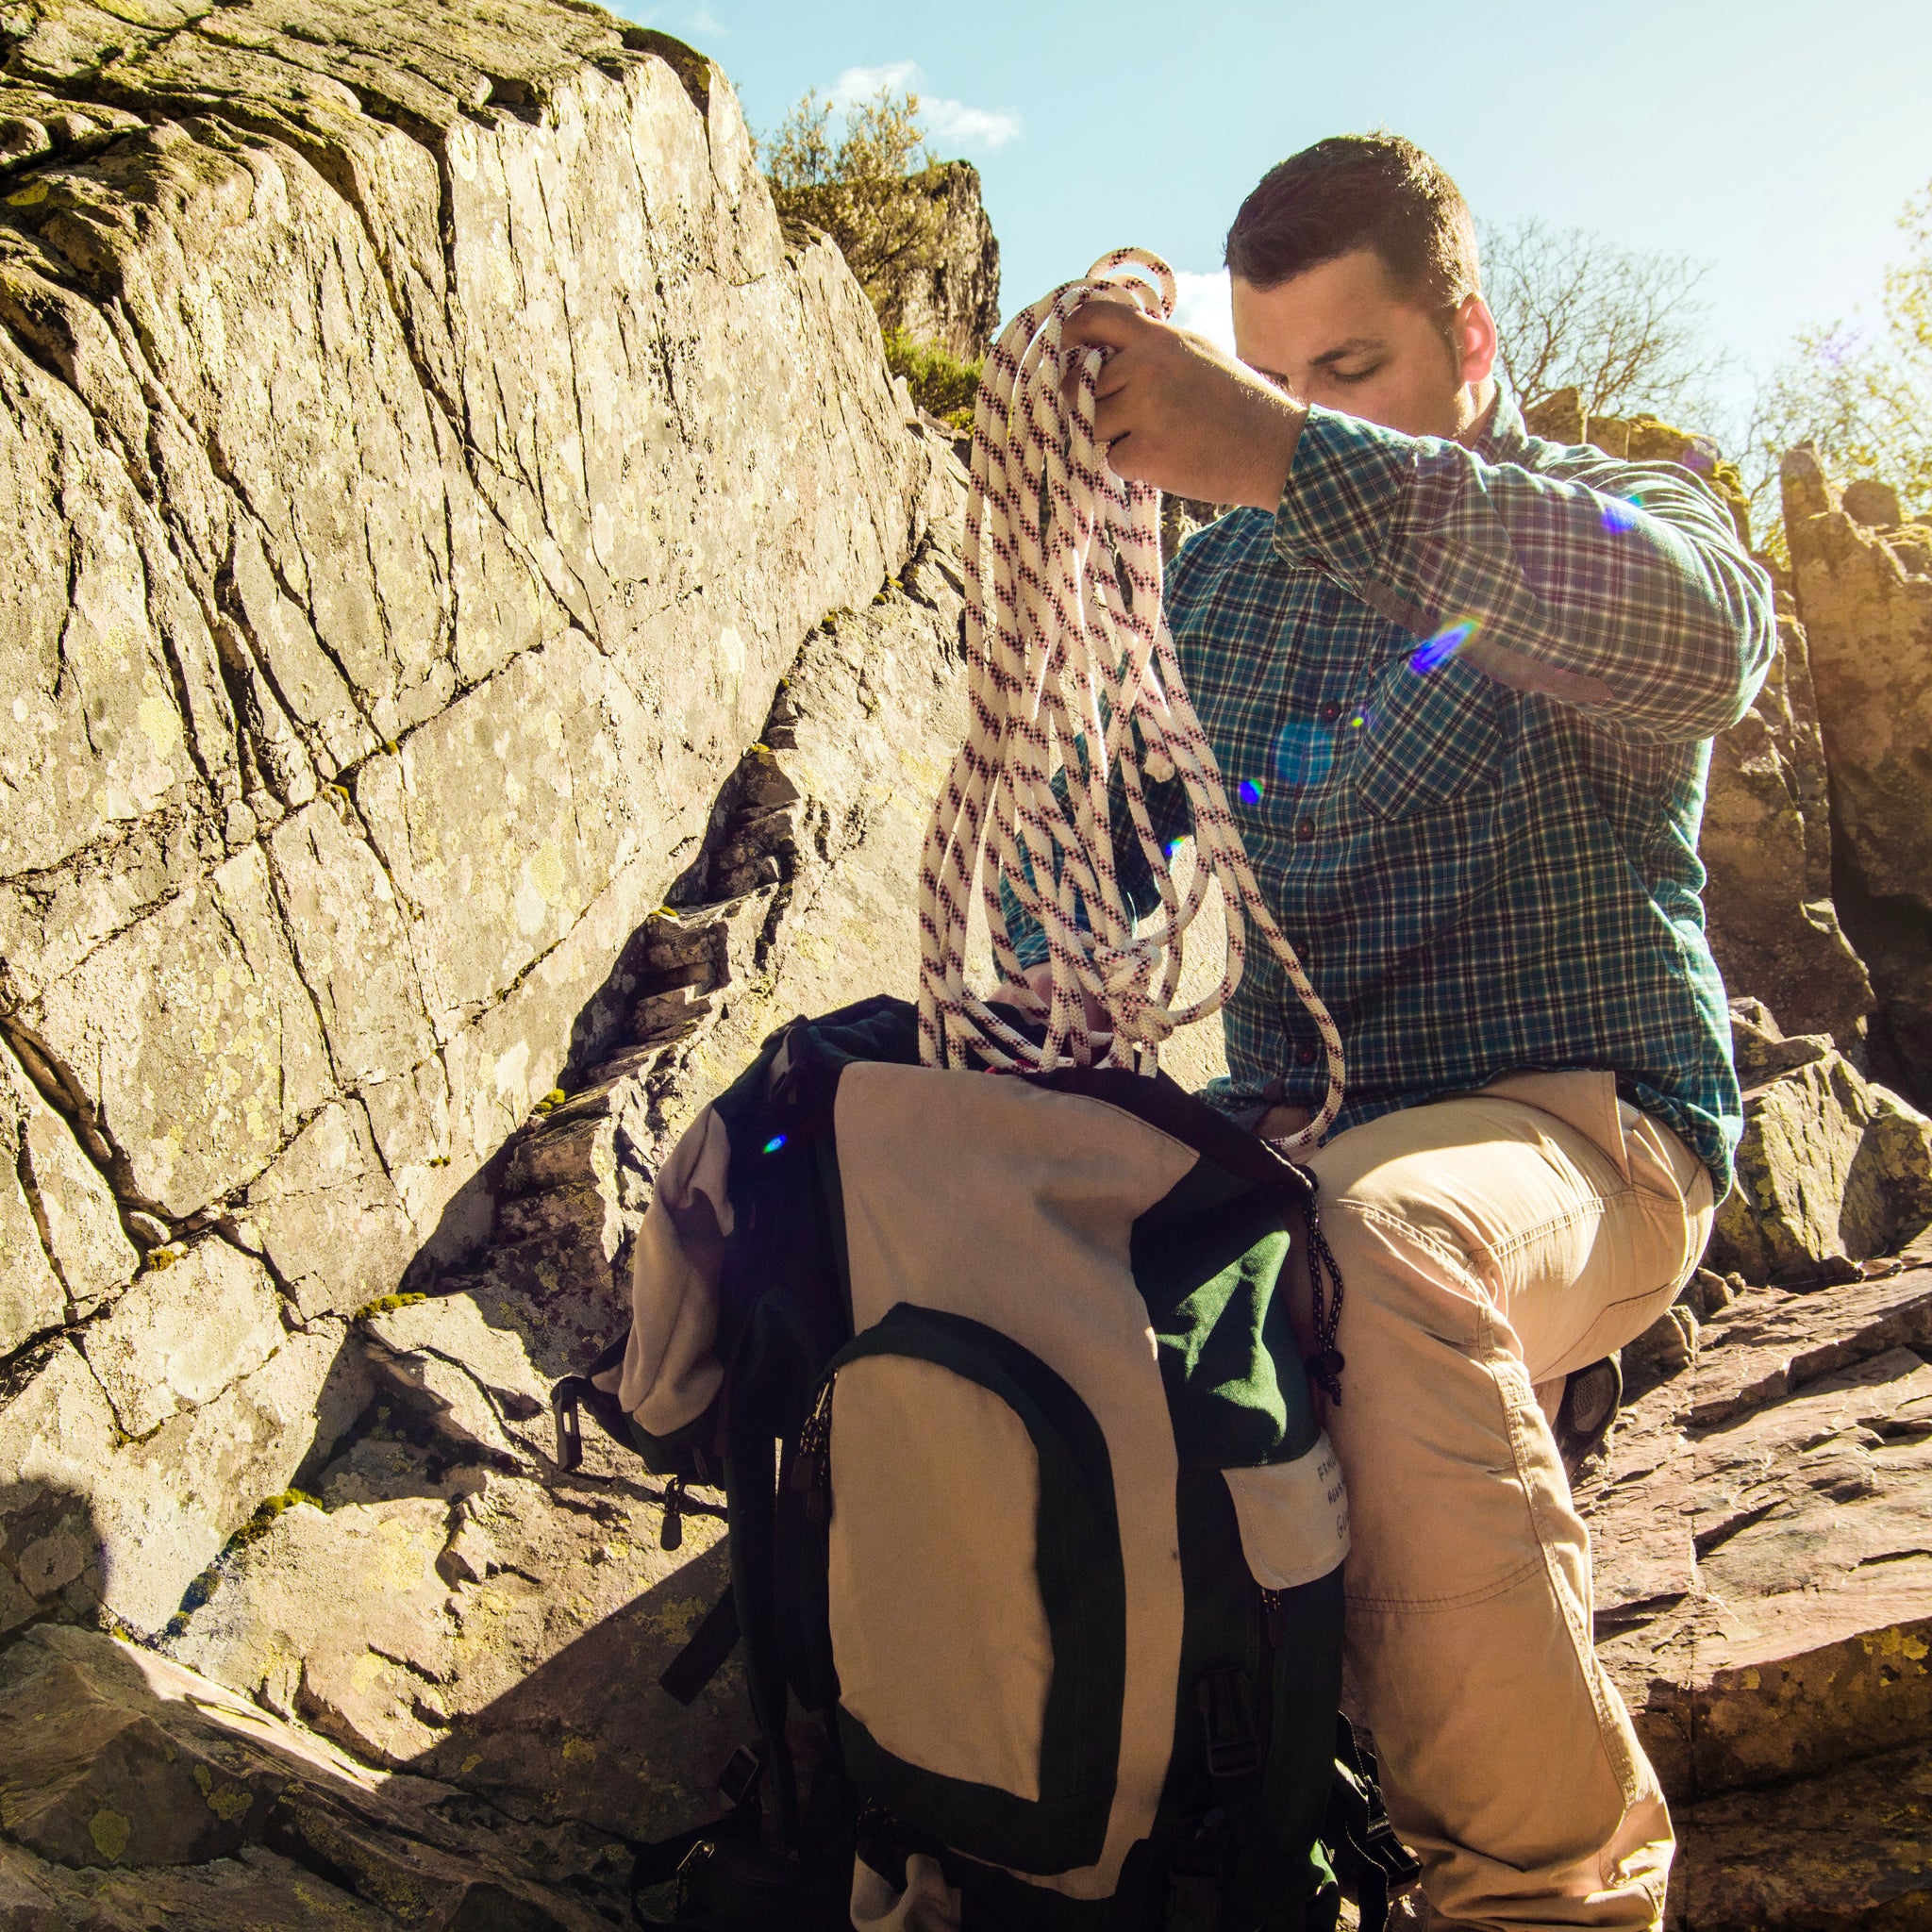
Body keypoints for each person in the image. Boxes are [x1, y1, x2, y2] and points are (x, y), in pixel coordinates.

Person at [1014, 136, 1774, 1929]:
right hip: (1296, 1136)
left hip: (1589, 1130)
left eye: (1348, 372)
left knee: (1382, 1234)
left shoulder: (1608, 508)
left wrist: (1276, 454)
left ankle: (1551, 1899)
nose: (1302, 416)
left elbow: (1699, 646)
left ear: (1473, 340)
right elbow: (1088, 859)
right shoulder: (1217, 595)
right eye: (1270, 380)